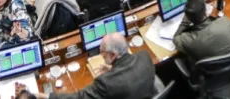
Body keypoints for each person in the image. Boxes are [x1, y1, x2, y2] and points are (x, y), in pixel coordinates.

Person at [26, 33, 156, 99]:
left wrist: (43, 96)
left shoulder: (107, 83)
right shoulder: (144, 56)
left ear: (113, 55)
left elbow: (77, 98)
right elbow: (129, 74)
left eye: (103, 53)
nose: (101, 55)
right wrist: (114, 69)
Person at [174, 0, 230, 66]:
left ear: (189, 18)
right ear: (206, 12)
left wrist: (184, 22)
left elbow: (175, 39)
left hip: (212, 75)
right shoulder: (225, 22)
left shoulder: (189, 40)